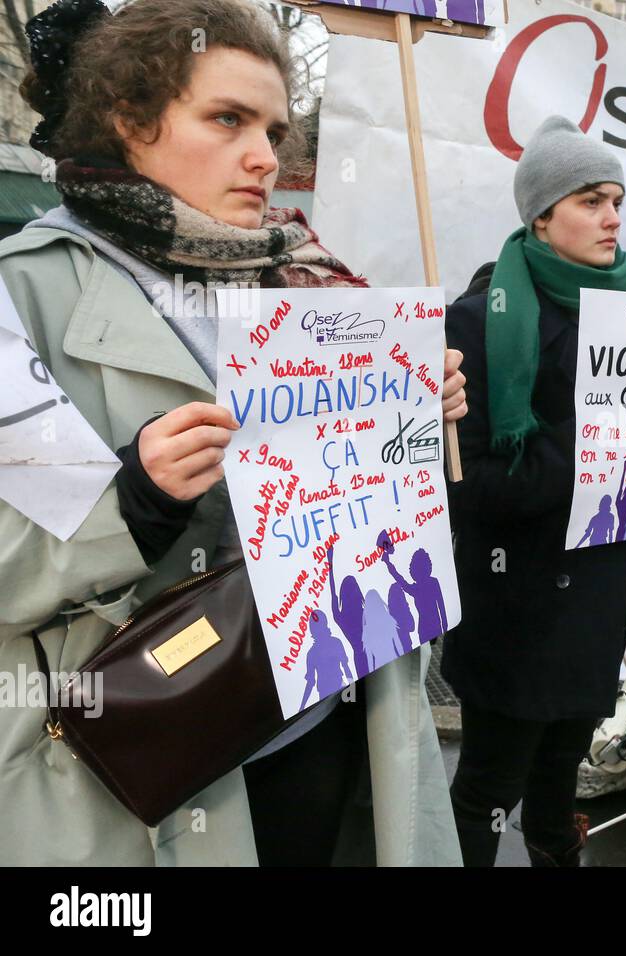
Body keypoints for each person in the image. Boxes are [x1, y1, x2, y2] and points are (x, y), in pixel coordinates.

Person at [0, 0, 467, 866]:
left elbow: (348, 508)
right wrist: (131, 499)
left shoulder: (300, 280)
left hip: (321, 721)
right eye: (228, 119)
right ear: (130, 120)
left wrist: (404, 417)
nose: (266, 157)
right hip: (144, 762)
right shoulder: (19, 295)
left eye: (275, 128)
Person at [442, 115, 626, 867]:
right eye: (591, 201)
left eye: (616, 201)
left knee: (558, 781)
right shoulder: (477, 323)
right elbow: (474, 486)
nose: (613, 218)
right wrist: (613, 437)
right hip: (514, 608)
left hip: (601, 604)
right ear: (541, 215)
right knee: (485, 788)